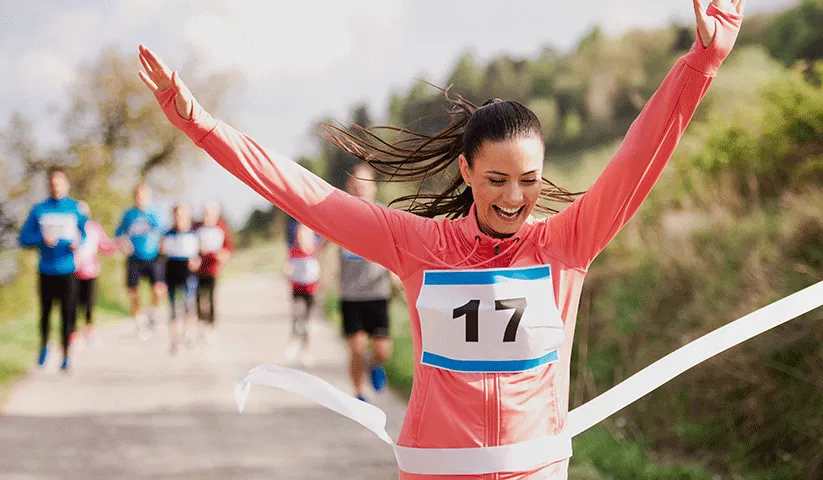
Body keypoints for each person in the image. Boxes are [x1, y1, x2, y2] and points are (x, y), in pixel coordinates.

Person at [138, 1, 743, 476]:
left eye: (529, 181)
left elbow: (641, 152)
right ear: (466, 172)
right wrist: (202, 126)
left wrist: (702, 64)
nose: (513, 198)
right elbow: (302, 194)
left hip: (533, 471)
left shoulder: (567, 244)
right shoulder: (418, 246)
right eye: (497, 180)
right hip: (435, 471)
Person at [18, 167, 88, 371]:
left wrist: (78, 242)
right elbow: (23, 238)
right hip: (46, 270)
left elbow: (84, 233)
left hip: (68, 270)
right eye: (52, 183)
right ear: (49, 185)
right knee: (45, 313)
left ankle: (66, 355)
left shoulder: (75, 208)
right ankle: (43, 347)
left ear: (66, 185)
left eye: (59, 183)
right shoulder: (39, 210)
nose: (56, 187)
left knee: (68, 313)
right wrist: (41, 239)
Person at [339, 163, 398, 401]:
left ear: (374, 188)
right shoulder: (340, 215)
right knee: (356, 348)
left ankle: (375, 365)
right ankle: (359, 392)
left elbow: (396, 249)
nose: (360, 189)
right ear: (349, 187)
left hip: (378, 292)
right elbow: (320, 241)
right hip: (351, 294)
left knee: (382, 351)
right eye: (356, 184)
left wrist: (396, 273)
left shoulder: (385, 216)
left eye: (365, 184)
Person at [115, 184, 165, 339]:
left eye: (143, 196)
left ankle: (153, 312)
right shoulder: (129, 214)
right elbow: (119, 233)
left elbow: (164, 232)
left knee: (158, 289)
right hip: (134, 258)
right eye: (138, 195)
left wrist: (163, 248)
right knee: (133, 292)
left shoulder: (154, 213)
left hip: (153, 257)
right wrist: (124, 244)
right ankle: (139, 322)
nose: (140, 199)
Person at [72, 201, 116, 343]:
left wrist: (118, 244)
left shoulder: (94, 228)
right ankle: (72, 331)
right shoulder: (71, 228)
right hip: (72, 271)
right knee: (73, 302)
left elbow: (105, 246)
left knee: (89, 303)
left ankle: (89, 328)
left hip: (91, 272)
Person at [161, 203, 201, 354]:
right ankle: (175, 340)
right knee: (173, 309)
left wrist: (197, 261)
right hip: (172, 273)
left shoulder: (194, 234)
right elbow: (162, 257)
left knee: (188, 306)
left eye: (183, 215)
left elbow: (200, 255)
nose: (180, 218)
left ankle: (189, 335)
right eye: (177, 215)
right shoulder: (168, 235)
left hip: (189, 275)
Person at [283, 222, 322, 367]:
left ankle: (305, 349)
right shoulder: (294, 251)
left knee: (307, 322)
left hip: (311, 291)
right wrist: (287, 272)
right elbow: (287, 267)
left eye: (305, 236)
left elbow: (319, 271)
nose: (301, 239)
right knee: (297, 316)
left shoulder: (314, 252)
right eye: (299, 236)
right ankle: (293, 341)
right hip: (297, 289)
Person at [194, 200, 234, 340]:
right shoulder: (196, 227)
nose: (208, 217)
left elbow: (228, 248)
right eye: (205, 213)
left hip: (213, 268)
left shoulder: (221, 227)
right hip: (198, 269)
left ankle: (211, 324)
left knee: (210, 297)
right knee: (198, 297)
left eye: (211, 214)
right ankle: (200, 321)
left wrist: (222, 255)